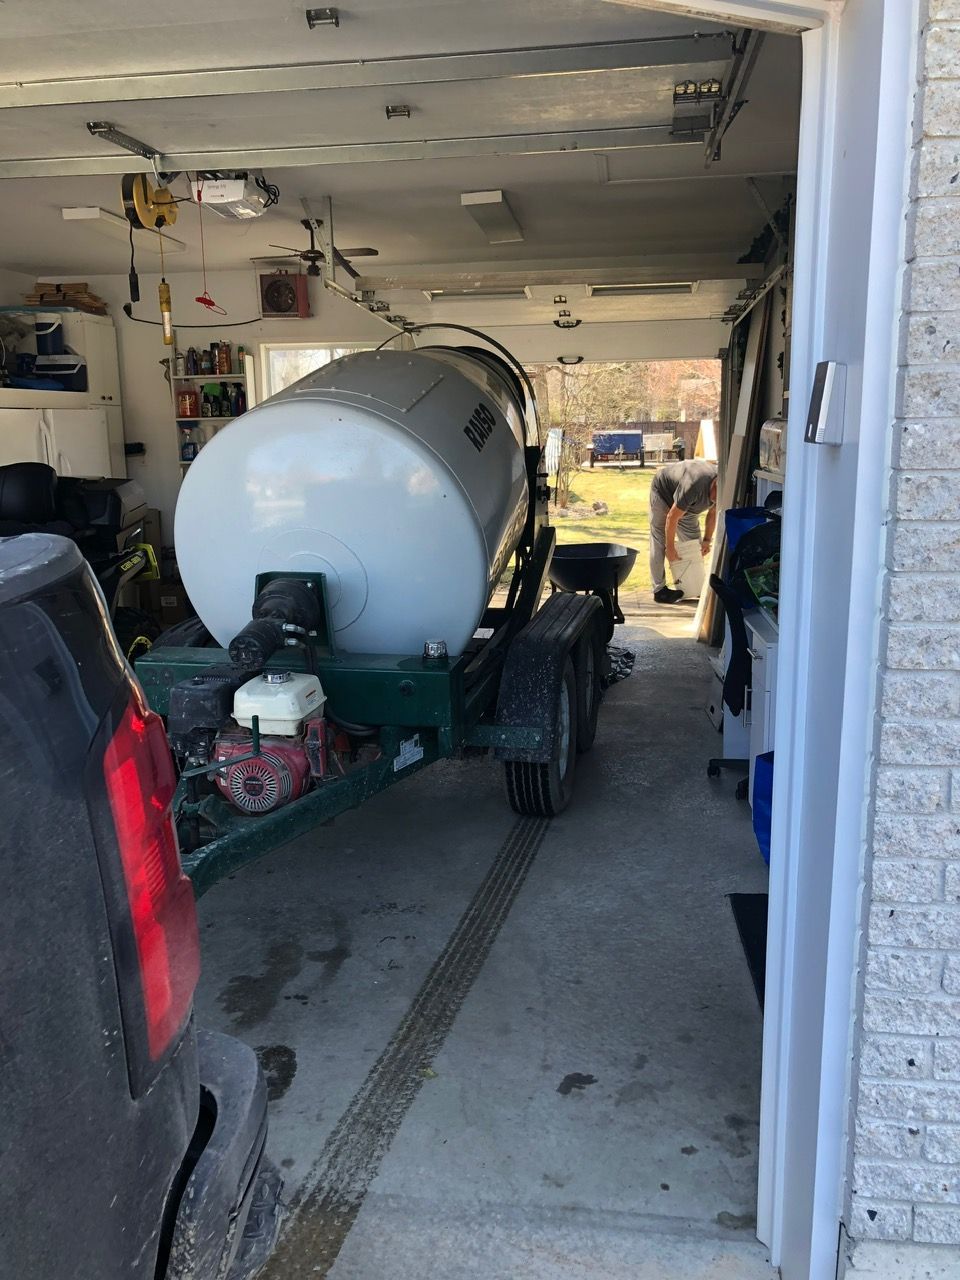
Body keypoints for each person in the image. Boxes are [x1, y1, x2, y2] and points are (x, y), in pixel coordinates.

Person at [648, 459, 719, 604]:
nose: (714, 500)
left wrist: (707, 540)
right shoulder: (694, 484)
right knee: (659, 540)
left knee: (694, 547)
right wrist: (670, 547)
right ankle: (659, 590)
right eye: (714, 496)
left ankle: (694, 588)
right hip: (663, 492)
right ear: (714, 484)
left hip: (688, 507)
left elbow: (712, 514)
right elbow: (672, 518)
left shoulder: (724, 487)